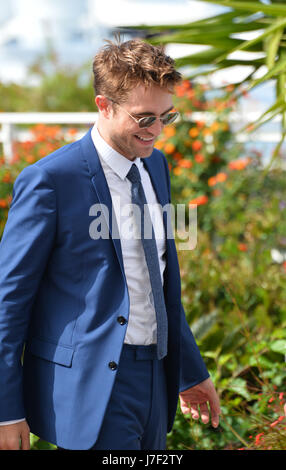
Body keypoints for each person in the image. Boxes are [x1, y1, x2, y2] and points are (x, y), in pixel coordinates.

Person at [0, 38, 220, 451]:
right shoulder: (50, 181)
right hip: (93, 386)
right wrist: (5, 409)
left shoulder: (155, 164)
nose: (155, 130)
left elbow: (159, 281)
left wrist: (190, 372)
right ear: (105, 106)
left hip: (155, 377)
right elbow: (8, 302)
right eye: (143, 118)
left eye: (165, 116)